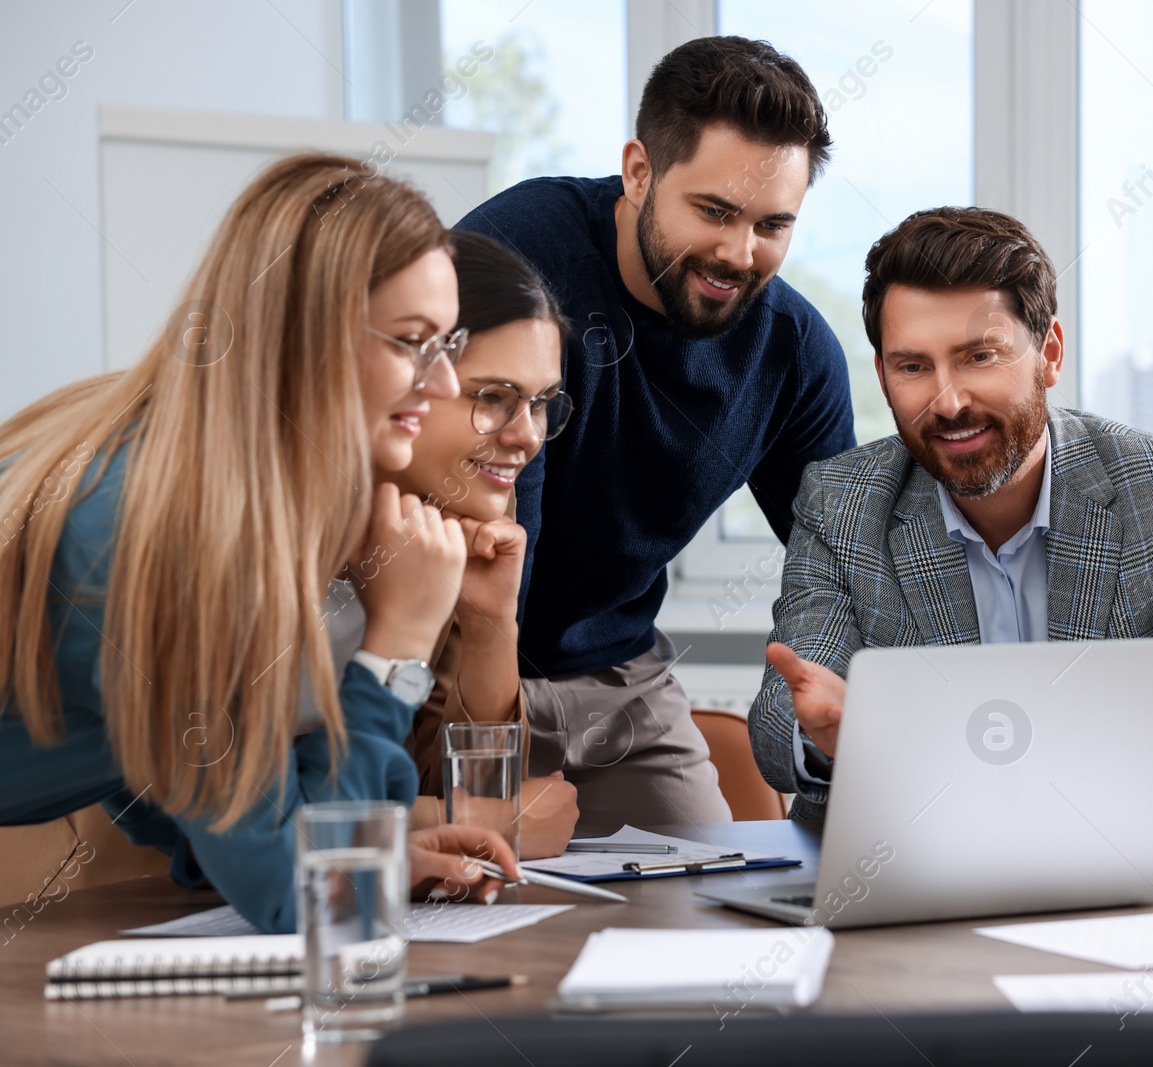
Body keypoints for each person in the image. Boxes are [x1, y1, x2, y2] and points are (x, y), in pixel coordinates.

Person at [0, 154, 518, 933]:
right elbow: (300, 897)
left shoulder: (202, 481)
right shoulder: (162, 528)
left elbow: (205, 809)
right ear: (302, 339)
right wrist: (398, 646)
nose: (443, 384)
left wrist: (367, 854)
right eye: (414, 341)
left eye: (448, 343)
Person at [749, 207, 1153, 845]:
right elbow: (786, 715)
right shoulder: (840, 502)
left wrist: (1090, 824)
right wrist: (831, 737)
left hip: (1113, 870)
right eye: (913, 366)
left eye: (979, 356)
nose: (948, 402)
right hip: (913, 877)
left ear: (1049, 353)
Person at [456, 36, 855, 834]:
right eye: (714, 212)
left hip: (620, 675)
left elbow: (850, 558)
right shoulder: (514, 265)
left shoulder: (794, 351)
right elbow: (491, 562)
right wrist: (493, 769)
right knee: (481, 895)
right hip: (453, 661)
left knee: (704, 903)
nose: (739, 254)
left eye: (772, 224)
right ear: (639, 171)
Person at [383, 230, 580, 857]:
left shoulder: (462, 510)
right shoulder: (288, 528)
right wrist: (491, 824)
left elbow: (448, 782)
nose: (526, 437)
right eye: (492, 397)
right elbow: (255, 810)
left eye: (542, 403)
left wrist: (492, 622)